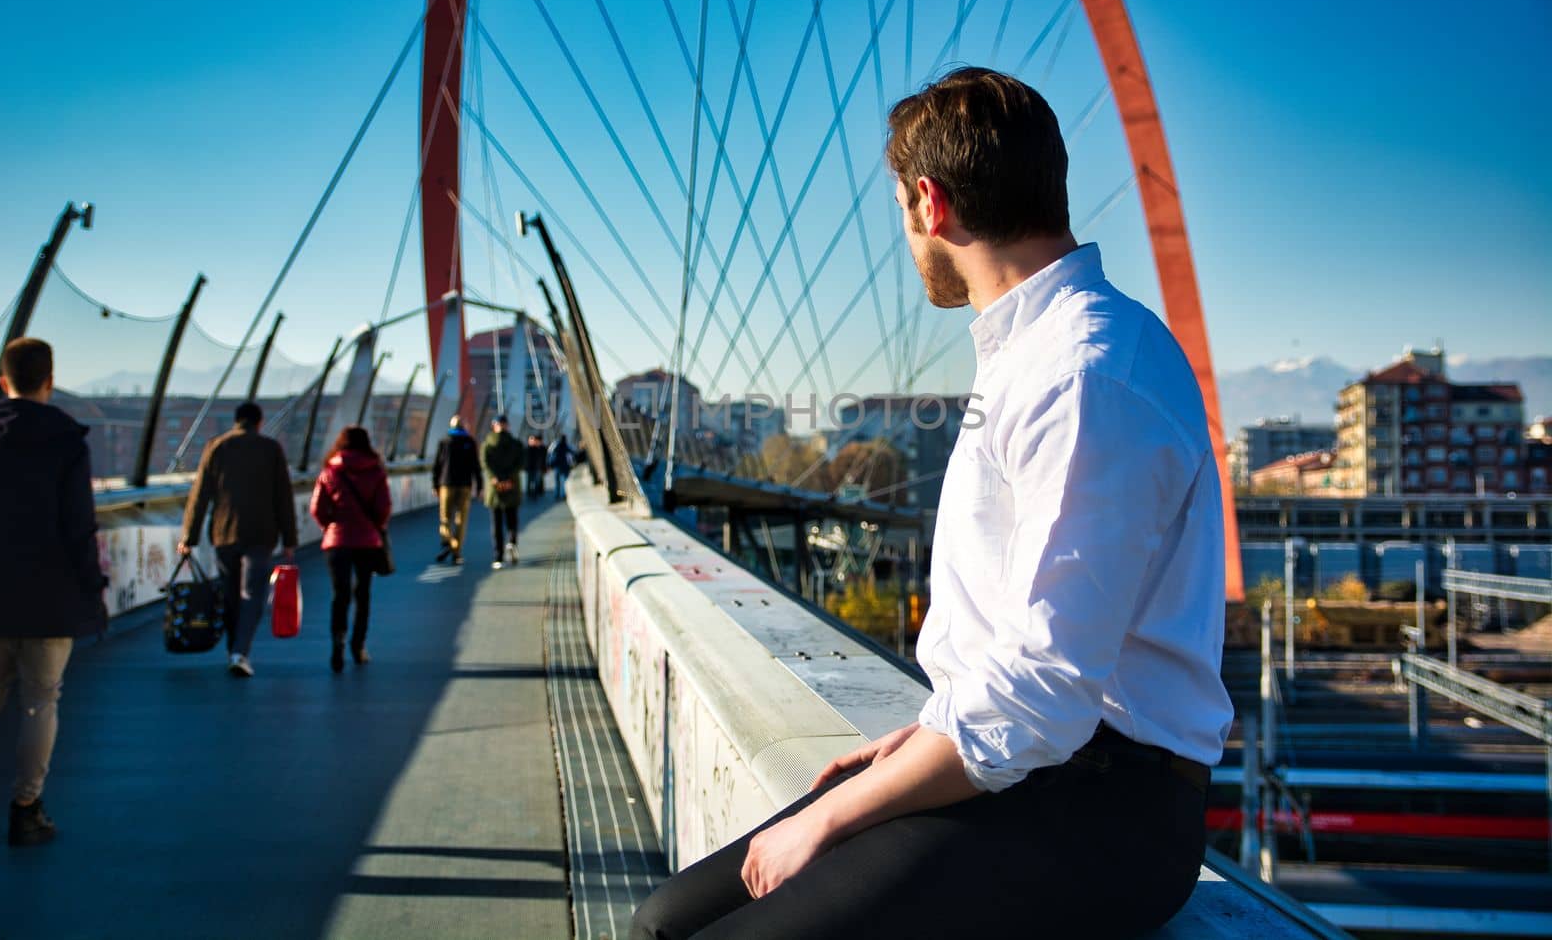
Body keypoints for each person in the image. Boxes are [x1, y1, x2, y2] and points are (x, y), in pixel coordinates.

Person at [631, 67, 1233, 939]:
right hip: (1025, 770)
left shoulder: (1083, 372)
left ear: (930, 202)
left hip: (1103, 812)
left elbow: (1046, 688)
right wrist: (920, 741)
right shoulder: (1039, 349)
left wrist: (834, 815)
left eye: (903, 215)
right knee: (662, 919)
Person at [0, 338, 108, 848]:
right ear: (50, 380)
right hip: (49, 592)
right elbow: (79, 527)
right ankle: (26, 808)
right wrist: (92, 590)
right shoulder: (66, 442)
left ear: (3, 381)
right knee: (41, 701)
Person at [179, 401, 298, 678]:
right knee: (253, 593)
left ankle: (233, 649)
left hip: (224, 533)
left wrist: (189, 536)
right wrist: (290, 539)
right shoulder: (271, 449)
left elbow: (200, 496)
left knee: (230, 593)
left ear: (236, 421)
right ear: (259, 421)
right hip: (261, 533)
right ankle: (240, 652)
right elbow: (284, 497)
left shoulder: (216, 447)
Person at [310, 426, 391, 672]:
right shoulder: (375, 471)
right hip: (366, 540)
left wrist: (331, 527)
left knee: (340, 594)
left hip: (338, 541)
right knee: (362, 593)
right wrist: (374, 526)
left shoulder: (330, 471)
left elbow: (317, 509)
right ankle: (358, 645)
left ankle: (338, 643)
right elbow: (384, 506)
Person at [431, 415, 482, 564]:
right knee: (461, 519)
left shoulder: (444, 442)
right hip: (465, 485)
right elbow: (476, 466)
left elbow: (437, 465)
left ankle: (449, 542)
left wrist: (435, 484)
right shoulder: (469, 442)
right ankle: (456, 550)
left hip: (446, 484)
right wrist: (479, 486)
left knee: (445, 518)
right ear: (463, 426)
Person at [481, 415, 524, 569]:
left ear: (494, 426)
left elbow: (485, 464)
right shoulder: (516, 444)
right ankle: (512, 542)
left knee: (496, 523)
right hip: (512, 486)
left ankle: (498, 556)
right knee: (512, 519)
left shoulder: (487, 444)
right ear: (508, 426)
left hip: (494, 489)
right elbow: (520, 463)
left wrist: (495, 478)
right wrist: (508, 479)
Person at [548, 432, 574, 499]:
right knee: (565, 481)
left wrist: (550, 464)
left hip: (558, 466)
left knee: (557, 481)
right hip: (565, 466)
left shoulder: (555, 446)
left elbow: (550, 454)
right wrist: (571, 464)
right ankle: (565, 494)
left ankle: (557, 494)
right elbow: (571, 455)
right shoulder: (567, 446)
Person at [524, 434, 548, 500]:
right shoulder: (527, 449)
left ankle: (535, 494)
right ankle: (529, 493)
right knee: (529, 482)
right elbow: (524, 459)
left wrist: (544, 467)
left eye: (533, 440)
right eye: (531, 440)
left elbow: (542, 459)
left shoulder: (539, 449)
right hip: (529, 468)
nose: (533, 441)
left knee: (536, 481)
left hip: (537, 468)